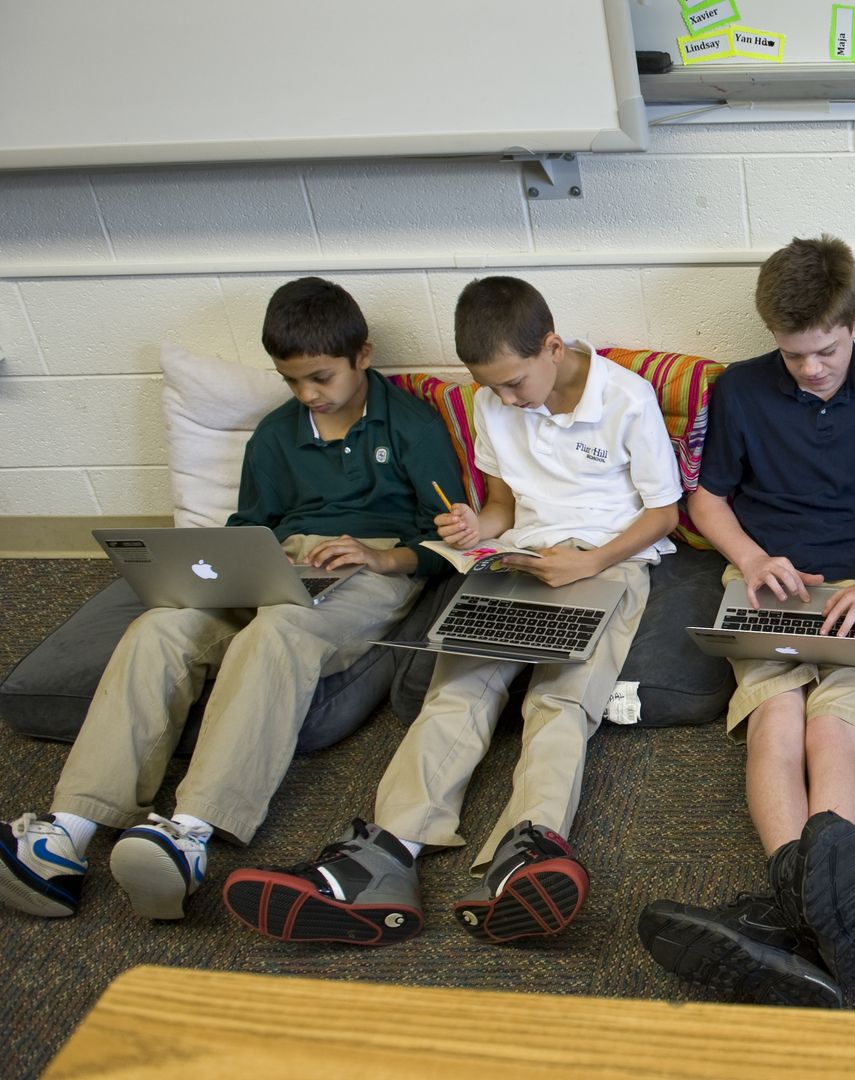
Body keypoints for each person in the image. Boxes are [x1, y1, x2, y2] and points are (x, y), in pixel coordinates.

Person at [224, 276, 682, 947]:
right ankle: (385, 855)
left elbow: (664, 513)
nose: (503, 399)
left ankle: (527, 852)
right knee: (456, 690)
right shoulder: (488, 401)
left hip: (605, 560)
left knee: (558, 699)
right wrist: (478, 529)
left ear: (552, 347)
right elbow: (501, 503)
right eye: (490, 387)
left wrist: (587, 561)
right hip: (517, 560)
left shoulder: (626, 399)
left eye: (514, 383)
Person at [0, 277, 460, 923]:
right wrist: (236, 565)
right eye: (292, 380)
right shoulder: (275, 434)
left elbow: (448, 538)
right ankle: (64, 835)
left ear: (363, 354)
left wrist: (380, 556)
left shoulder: (411, 423)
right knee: (160, 627)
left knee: (277, 631)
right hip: (281, 560)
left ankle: (189, 833)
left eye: (321, 377)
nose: (308, 394)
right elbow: (253, 522)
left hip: (374, 567)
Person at [637, 235, 855, 1007]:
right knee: (776, 717)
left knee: (836, 728)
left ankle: (797, 919)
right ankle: (825, 916)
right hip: (767, 584)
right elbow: (708, 500)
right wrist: (752, 557)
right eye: (793, 355)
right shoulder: (737, 390)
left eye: (825, 352)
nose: (811, 370)